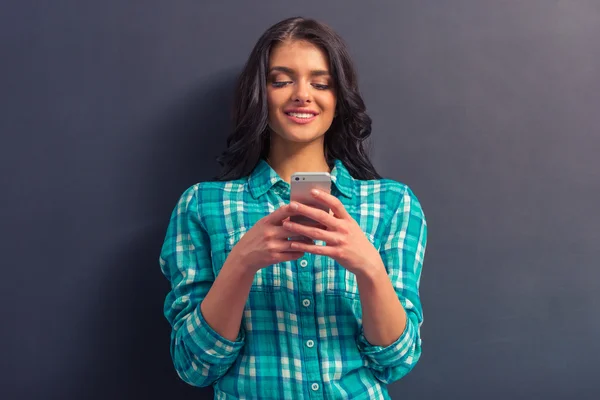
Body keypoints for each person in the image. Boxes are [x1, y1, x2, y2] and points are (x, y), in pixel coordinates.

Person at [159, 16, 427, 400]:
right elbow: (194, 366)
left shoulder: (392, 204)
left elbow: (397, 361)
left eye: (321, 83)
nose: (303, 95)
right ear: (260, 93)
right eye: (282, 80)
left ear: (338, 99)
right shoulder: (203, 205)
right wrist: (241, 263)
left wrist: (368, 267)